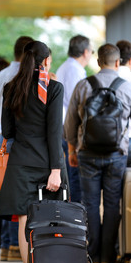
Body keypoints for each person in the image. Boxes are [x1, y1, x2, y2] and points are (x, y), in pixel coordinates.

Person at [64, 43, 131, 263]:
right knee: (112, 203)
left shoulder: (84, 85)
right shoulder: (128, 87)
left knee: (90, 203)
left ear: (98, 61)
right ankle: (109, 256)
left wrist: (72, 149)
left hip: (87, 154)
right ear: (118, 62)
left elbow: (70, 121)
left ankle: (92, 254)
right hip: (116, 154)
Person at [0, 40, 64, 263]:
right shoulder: (53, 89)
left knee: (25, 221)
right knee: (51, 222)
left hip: (21, 163)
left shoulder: (11, 88)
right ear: (46, 62)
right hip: (49, 164)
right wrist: (55, 170)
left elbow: (8, 131)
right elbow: (54, 132)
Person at [0, 36, 34, 261]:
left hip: (2, 139)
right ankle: (17, 245)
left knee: (4, 192)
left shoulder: (0, 76)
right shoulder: (28, 77)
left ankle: (6, 245)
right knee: (20, 194)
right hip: (21, 140)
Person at [55, 35, 93, 203]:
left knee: (72, 176)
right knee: (75, 177)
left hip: (64, 125)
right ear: (85, 52)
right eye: (92, 51)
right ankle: (76, 214)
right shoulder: (74, 70)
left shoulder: (66, 67)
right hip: (69, 127)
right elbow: (76, 104)